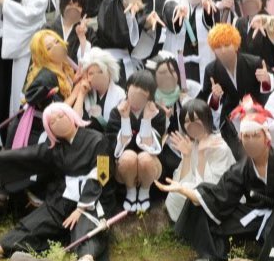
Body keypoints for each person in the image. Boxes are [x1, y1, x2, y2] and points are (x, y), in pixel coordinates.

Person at [156, 97, 274, 261]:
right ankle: (214, 254)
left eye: (256, 135)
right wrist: (182, 189)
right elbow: (219, 194)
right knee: (203, 195)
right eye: (246, 136)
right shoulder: (242, 168)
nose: (251, 141)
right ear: (241, 138)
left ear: (266, 137)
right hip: (254, 216)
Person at [0, 102, 115, 261]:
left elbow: (102, 174)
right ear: (50, 130)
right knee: (36, 222)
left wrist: (81, 208)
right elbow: (28, 155)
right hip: (64, 198)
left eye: (61, 116)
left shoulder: (98, 139)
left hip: (93, 198)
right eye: (52, 122)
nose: (58, 122)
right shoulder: (56, 147)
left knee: (87, 225)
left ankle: (85, 260)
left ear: (71, 116)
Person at [196, 23, 274, 159]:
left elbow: (273, 87)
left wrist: (267, 80)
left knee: (261, 153)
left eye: (227, 45)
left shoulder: (254, 62)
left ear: (236, 45)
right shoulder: (211, 69)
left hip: (256, 114)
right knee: (237, 155)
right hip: (230, 120)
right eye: (218, 47)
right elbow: (206, 100)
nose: (223, 50)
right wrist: (215, 97)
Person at [164, 99, 235, 222]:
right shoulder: (193, 143)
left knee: (181, 192)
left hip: (219, 196)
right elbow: (181, 180)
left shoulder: (219, 146)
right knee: (177, 190)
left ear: (206, 119)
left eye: (196, 119)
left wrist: (201, 155)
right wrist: (187, 155)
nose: (192, 125)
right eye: (187, 121)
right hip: (198, 189)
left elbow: (211, 187)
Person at [106, 70, 167, 213]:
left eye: (142, 97)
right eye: (132, 94)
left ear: (150, 97)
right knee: (129, 157)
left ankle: (145, 192)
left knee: (145, 158)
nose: (135, 100)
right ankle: (131, 191)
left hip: (150, 165)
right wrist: (125, 119)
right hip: (125, 166)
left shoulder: (157, 113)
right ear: (127, 89)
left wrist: (147, 119)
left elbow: (151, 147)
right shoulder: (116, 112)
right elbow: (117, 148)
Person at [5, 29, 74, 150]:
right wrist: (78, 91)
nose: (56, 47)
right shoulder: (46, 76)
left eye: (57, 42)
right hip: (36, 138)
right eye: (49, 48)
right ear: (42, 56)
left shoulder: (65, 67)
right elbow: (59, 111)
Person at [95, 0, 163, 85]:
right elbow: (116, 36)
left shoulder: (141, 12)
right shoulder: (109, 4)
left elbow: (142, 50)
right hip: (109, 66)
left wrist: (147, 25)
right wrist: (125, 4)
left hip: (132, 67)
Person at [145, 52, 202, 181]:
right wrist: (163, 118)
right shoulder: (150, 99)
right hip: (165, 149)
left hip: (191, 144)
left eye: (172, 71)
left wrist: (186, 102)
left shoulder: (190, 90)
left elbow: (204, 123)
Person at [161, 0, 220, 83]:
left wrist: (207, 10)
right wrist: (177, 11)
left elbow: (212, 26)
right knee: (180, 88)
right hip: (178, 59)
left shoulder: (212, 8)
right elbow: (172, 20)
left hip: (201, 64)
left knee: (199, 91)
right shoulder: (174, 1)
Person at [231, 0, 274, 68]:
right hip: (244, 74)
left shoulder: (269, 21)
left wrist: (264, 20)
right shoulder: (239, 23)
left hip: (264, 74)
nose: (250, 2)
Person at [72, 47, 126, 133]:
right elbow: (75, 121)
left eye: (100, 72)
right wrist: (81, 94)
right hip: (87, 137)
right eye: (91, 73)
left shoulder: (120, 95)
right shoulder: (86, 91)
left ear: (109, 73)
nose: (95, 77)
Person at [44, 0, 95, 66]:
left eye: (78, 6)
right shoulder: (48, 28)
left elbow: (89, 62)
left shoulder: (88, 31)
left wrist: (82, 37)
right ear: (63, 5)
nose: (74, 9)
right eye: (70, 4)